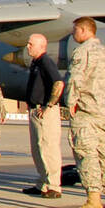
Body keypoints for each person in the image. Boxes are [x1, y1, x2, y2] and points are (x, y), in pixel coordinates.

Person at [62, 17, 105, 208]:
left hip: (86, 113)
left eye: (75, 30)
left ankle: (93, 202)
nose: (73, 34)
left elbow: (75, 79)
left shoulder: (82, 52)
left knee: (86, 154)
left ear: (83, 30)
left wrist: (71, 102)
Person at [21, 33, 64, 198]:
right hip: (35, 110)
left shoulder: (46, 62)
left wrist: (49, 105)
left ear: (41, 46)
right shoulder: (36, 63)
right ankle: (43, 183)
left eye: (31, 44)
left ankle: (54, 185)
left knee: (48, 148)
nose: (28, 46)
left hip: (44, 112)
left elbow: (58, 83)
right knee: (37, 149)